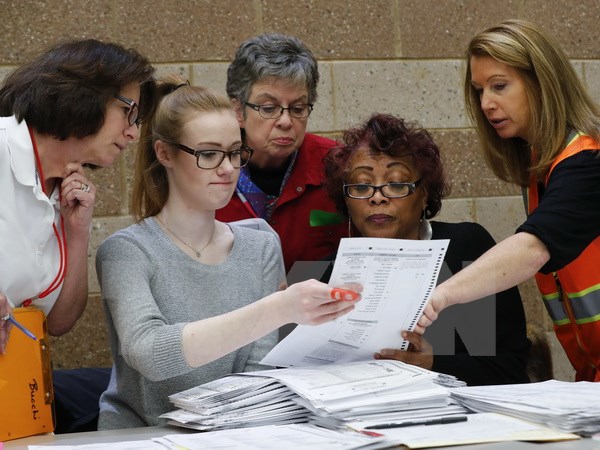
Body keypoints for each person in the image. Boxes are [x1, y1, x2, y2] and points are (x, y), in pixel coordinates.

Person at [95, 75, 360, 429]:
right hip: (145, 437)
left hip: (232, 433)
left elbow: (258, 373)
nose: (227, 168)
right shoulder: (126, 251)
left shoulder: (261, 243)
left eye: (235, 153)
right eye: (208, 154)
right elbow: (150, 352)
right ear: (164, 153)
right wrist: (278, 309)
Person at [418, 19, 600, 382]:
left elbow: (533, 249)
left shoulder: (588, 161)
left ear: (542, 82)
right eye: (479, 90)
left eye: (499, 86)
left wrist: (439, 297)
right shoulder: (544, 170)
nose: (486, 104)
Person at [0, 39, 156, 431]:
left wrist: (78, 231)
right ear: (82, 94)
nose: (133, 133)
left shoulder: (62, 189)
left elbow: (58, 322)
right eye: (129, 112)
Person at [323, 113, 531, 386]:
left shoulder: (464, 248)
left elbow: (510, 369)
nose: (377, 197)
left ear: (424, 195)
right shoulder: (333, 272)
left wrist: (434, 363)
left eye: (396, 183)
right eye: (361, 186)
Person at [216, 33, 345, 273]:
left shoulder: (337, 164)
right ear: (238, 110)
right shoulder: (208, 169)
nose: (285, 121)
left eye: (298, 108)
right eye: (269, 108)